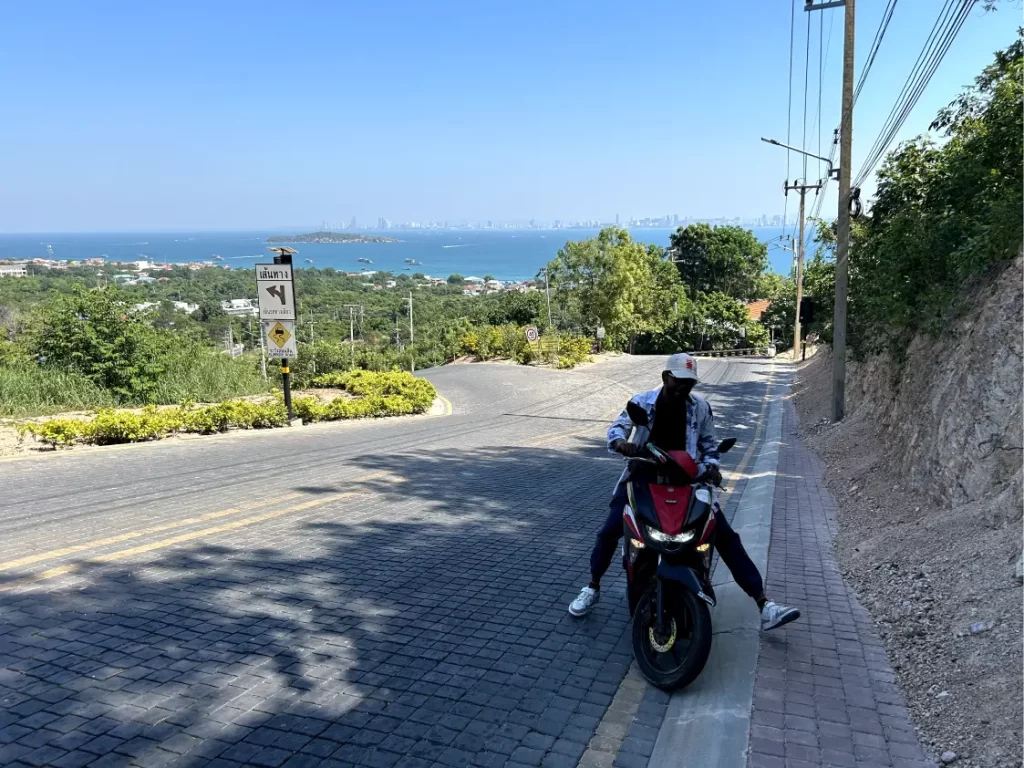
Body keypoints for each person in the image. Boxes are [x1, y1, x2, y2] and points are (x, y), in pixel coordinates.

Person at [568, 352, 800, 632]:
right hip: (642, 477)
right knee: (609, 531)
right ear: (666, 377)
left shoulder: (700, 408)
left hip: (687, 481)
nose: (683, 388)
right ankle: (592, 586)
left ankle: (764, 604)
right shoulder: (642, 402)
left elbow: (709, 445)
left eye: (689, 384)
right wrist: (621, 444)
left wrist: (712, 467)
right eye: (679, 382)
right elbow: (617, 428)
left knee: (724, 535)